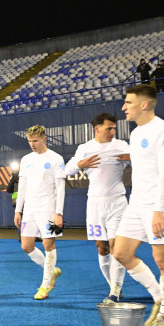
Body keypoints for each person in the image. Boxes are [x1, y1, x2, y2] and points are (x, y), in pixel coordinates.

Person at [112, 84, 164, 326]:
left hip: (159, 205)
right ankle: (160, 296)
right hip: (137, 204)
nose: (123, 107)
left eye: (128, 103)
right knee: (120, 252)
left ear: (144, 104)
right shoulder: (136, 132)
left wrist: (159, 210)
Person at [64, 113, 130, 302]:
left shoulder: (121, 146)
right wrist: (80, 164)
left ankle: (115, 292)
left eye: (114, 128)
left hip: (117, 203)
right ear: (97, 128)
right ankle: (113, 285)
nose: (113, 131)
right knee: (102, 248)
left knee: (117, 248)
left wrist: (131, 157)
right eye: (109, 128)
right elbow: (67, 170)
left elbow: (141, 160)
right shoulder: (85, 148)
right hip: (94, 204)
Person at [14, 125, 64, 300]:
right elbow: (22, 186)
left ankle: (45, 286)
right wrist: (18, 210)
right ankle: (51, 271)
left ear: (44, 138)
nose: (32, 144)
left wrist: (59, 213)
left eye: (35, 140)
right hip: (30, 209)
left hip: (48, 208)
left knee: (48, 245)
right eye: (29, 141)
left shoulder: (56, 159)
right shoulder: (26, 159)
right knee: (26, 246)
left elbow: (60, 188)